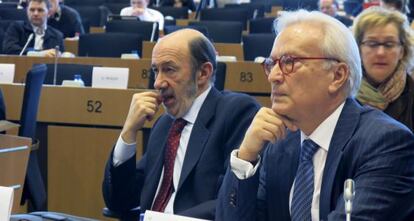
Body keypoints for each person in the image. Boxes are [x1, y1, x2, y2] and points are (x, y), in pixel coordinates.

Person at [216, 10, 414, 221]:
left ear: (337, 76)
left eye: (289, 62)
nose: (273, 76)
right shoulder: (279, 142)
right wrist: (245, 156)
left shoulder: (385, 142)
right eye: (271, 64)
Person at [102, 29, 260, 220]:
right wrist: (128, 133)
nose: (158, 82)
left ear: (203, 73)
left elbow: (231, 200)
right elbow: (120, 202)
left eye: (169, 69)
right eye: (155, 70)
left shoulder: (236, 111)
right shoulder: (164, 125)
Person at [354, 7, 414, 131]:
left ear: (402, 51)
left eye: (389, 44)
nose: (380, 52)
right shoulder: (341, 94)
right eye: (372, 43)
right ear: (358, 49)